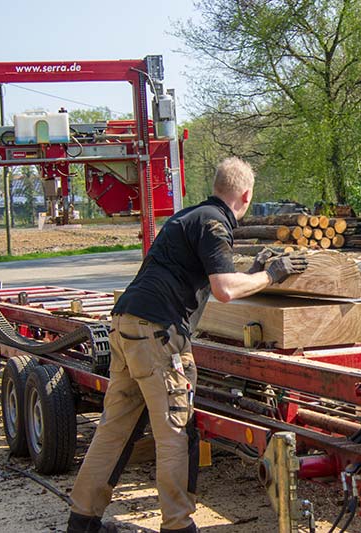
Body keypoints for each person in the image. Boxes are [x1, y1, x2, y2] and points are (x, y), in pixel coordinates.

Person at [66, 157, 308, 533]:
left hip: (127, 324)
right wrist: (270, 275)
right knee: (175, 431)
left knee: (114, 428)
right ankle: (178, 526)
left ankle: (82, 520)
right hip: (158, 335)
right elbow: (224, 290)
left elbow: (208, 278)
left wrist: (252, 273)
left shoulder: (192, 217)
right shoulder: (216, 224)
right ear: (246, 195)